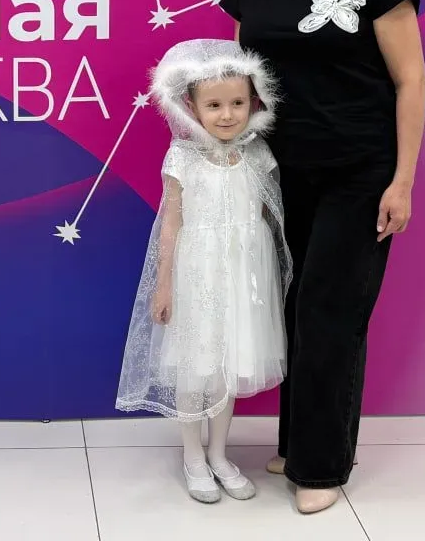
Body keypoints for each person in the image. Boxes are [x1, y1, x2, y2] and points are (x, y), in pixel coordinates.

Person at [218, 0, 425, 514]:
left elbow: (412, 78)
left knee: (329, 313)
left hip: (358, 172)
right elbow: (243, 78)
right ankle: (298, 443)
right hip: (278, 173)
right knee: (291, 311)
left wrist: (402, 181)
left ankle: (322, 466)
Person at [116, 39, 291, 505]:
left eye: (237, 103)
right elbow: (170, 225)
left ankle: (219, 454)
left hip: (244, 276)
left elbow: (267, 217)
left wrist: (263, 273)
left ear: (254, 102)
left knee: (230, 365)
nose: (227, 115)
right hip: (199, 274)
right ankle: (193, 456)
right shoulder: (182, 157)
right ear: (190, 107)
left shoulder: (258, 155)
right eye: (214, 105)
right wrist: (164, 284)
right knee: (196, 366)